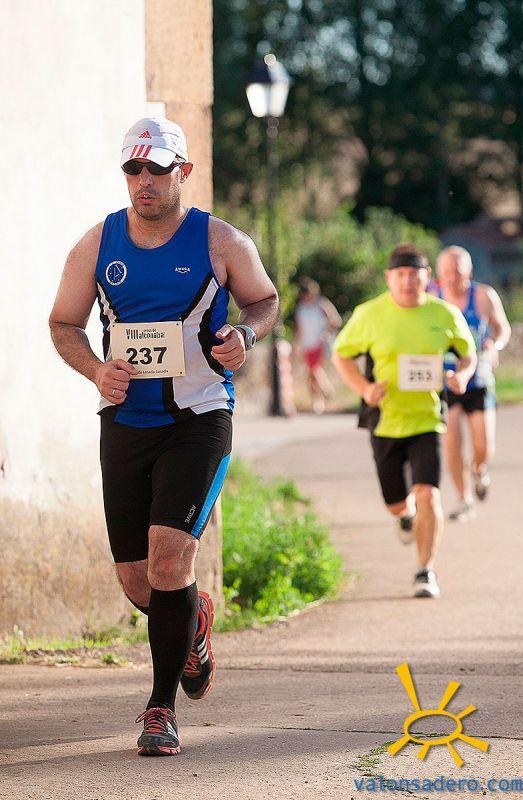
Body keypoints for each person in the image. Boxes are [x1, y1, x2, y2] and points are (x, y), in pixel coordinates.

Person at [49, 117, 278, 756]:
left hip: (199, 419)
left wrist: (245, 336)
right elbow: (64, 323)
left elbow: (264, 301)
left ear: (184, 171)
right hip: (126, 422)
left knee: (170, 560)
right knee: (138, 582)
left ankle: (159, 709)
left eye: (157, 168)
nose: (144, 180)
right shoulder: (97, 244)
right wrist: (96, 369)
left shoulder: (221, 240)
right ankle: (192, 623)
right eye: (133, 168)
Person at [332, 243, 476, 599]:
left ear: (427, 277)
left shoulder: (444, 314)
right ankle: (403, 516)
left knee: (428, 495)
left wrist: (462, 376)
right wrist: (364, 389)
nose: (408, 281)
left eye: (415, 274)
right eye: (401, 275)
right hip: (385, 421)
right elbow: (341, 355)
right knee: (396, 503)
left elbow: (467, 354)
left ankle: (425, 571)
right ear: (389, 278)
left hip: (427, 419)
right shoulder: (369, 314)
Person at [434, 246, 511, 522]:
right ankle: (464, 499)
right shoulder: (431, 299)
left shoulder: (483, 296)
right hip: (447, 381)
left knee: (483, 445)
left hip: (478, 380)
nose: (452, 277)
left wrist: (494, 345)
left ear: (469, 271)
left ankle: (479, 470)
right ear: (438, 274)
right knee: (452, 441)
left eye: (458, 271)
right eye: (447, 272)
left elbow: (503, 328)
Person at [294, 277, 342, 413]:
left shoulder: (322, 304)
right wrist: (296, 344)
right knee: (310, 375)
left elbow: (335, 320)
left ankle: (326, 389)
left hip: (320, 343)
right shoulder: (301, 308)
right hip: (306, 344)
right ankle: (318, 401)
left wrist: (327, 332)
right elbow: (299, 328)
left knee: (314, 369)